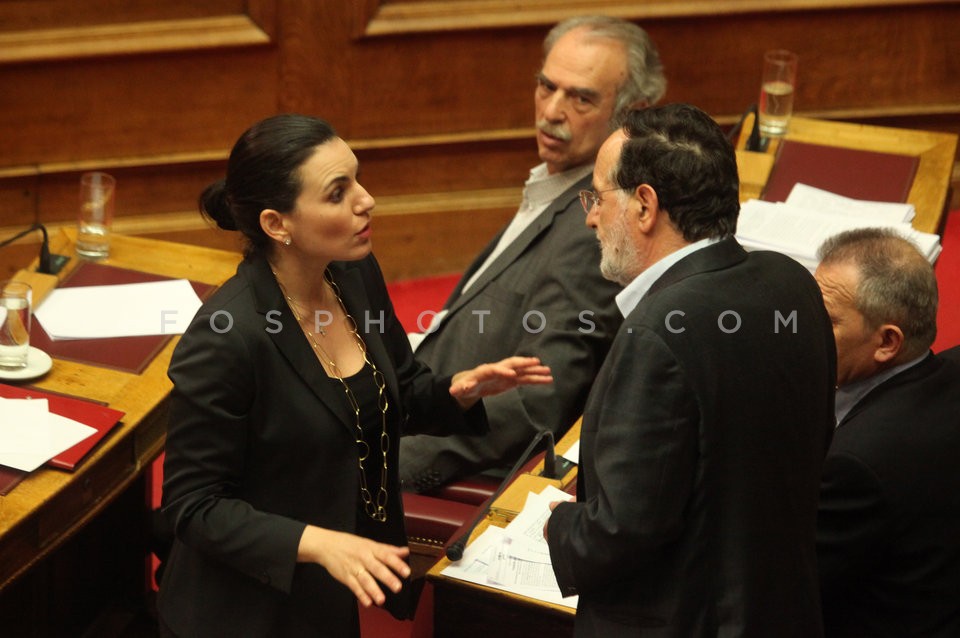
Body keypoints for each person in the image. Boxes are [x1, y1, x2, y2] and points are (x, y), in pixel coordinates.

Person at [157, 113, 552, 638]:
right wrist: (318, 542)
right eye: (337, 193)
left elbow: (393, 393)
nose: (367, 201)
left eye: (357, 180)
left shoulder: (352, 272)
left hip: (333, 593)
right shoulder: (226, 338)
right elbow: (192, 506)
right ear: (277, 224)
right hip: (244, 613)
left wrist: (457, 392)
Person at [543, 104, 837, 637]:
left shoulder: (657, 334)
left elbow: (623, 531)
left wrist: (560, 526)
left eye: (598, 198)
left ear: (645, 206)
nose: (590, 217)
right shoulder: (792, 283)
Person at [400, 15, 666, 491]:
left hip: (443, 466)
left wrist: (385, 465)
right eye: (547, 87)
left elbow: (533, 402)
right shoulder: (560, 187)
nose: (552, 112)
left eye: (581, 98)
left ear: (634, 113)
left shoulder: (593, 230)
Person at [814, 228, 960, 637]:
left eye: (825, 321)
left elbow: (785, 587)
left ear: (887, 342)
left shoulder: (855, 464)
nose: (799, 330)